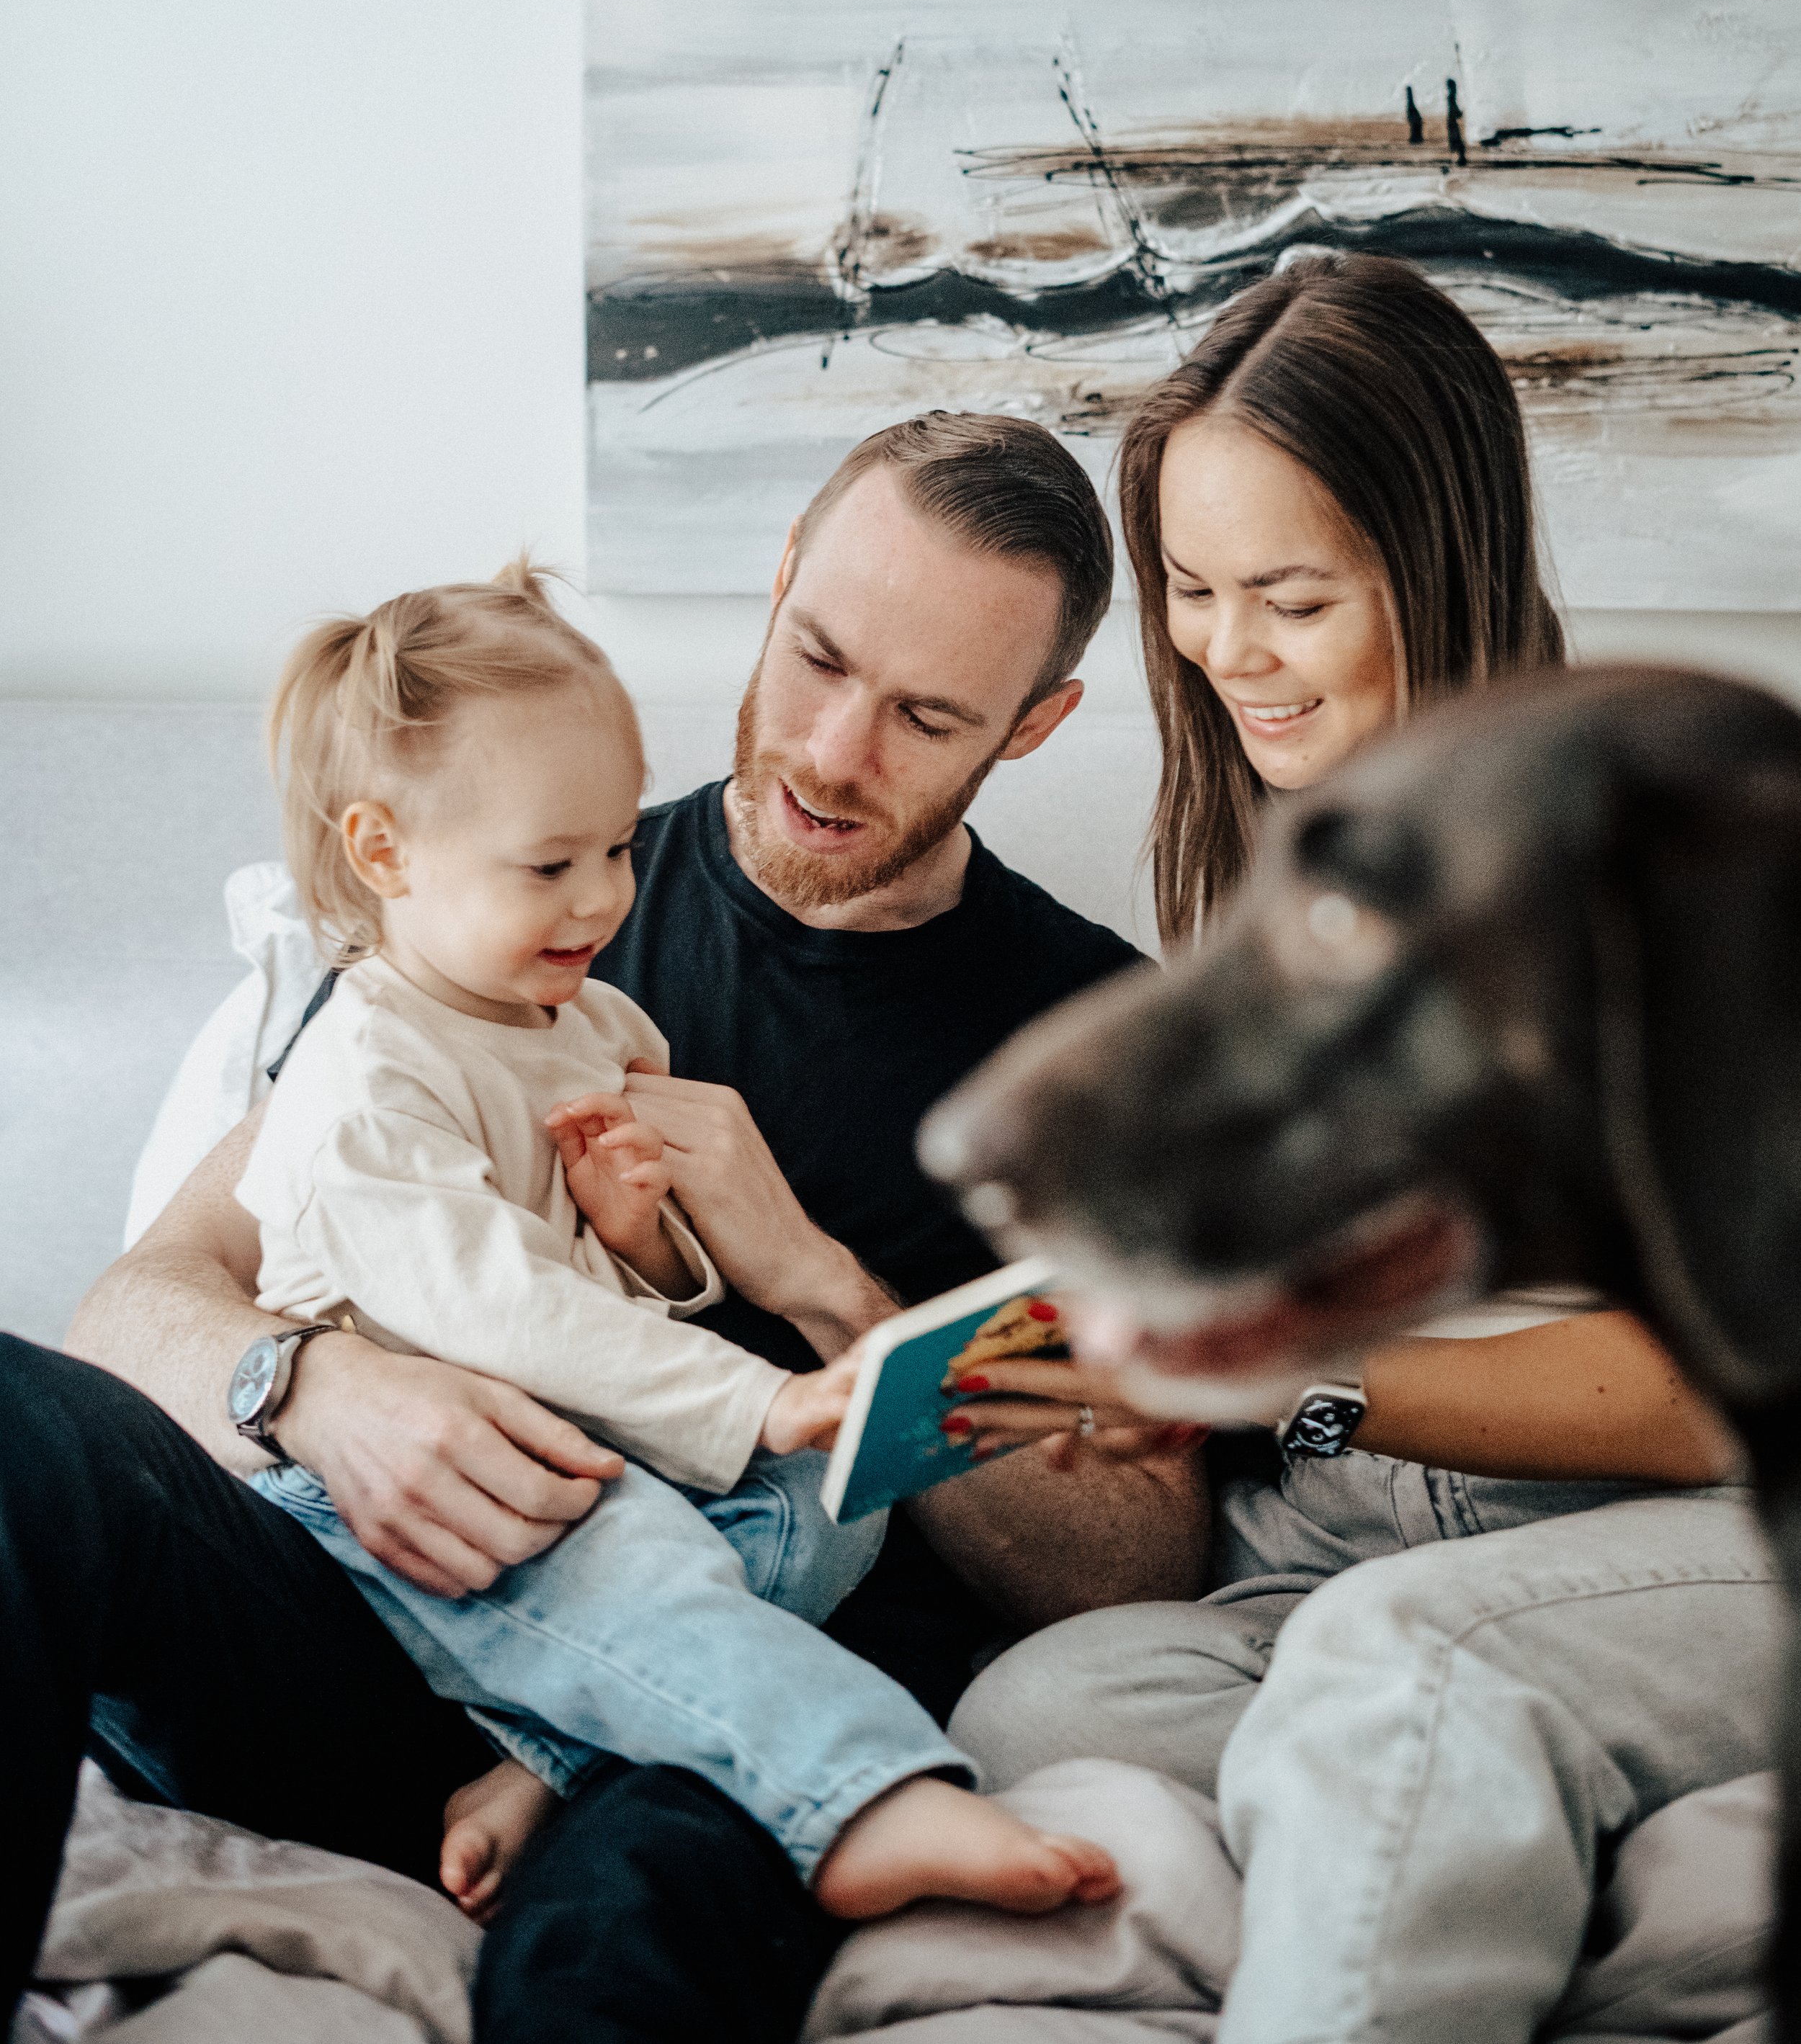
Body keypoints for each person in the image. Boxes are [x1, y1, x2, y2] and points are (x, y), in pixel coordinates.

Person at [17, 410, 1199, 2041]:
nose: (833, 751)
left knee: (633, 1935)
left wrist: (826, 1290)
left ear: (1038, 724)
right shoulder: (516, 881)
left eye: (926, 715)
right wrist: (310, 1387)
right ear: (778, 580)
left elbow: (1135, 1557)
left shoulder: (1104, 1050)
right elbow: (145, 1294)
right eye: (817, 657)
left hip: (714, 1700)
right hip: (348, 1618)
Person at [942, 256, 1779, 2044]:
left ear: (1432, 564)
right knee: (1036, 1711)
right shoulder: (1269, 858)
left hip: (1662, 1516)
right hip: (1340, 1531)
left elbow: (1700, 1397)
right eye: (1189, 590)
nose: (1224, 649)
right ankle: (1501, 1856)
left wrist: (1296, 1386)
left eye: (1290, 597)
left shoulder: (1641, 855)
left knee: (1391, 1668)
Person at [238, 557, 1117, 1922]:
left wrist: (648, 1244)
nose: (603, 900)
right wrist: (764, 1399)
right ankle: (865, 1793)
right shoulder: (363, 1075)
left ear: (1035, 722)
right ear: (385, 853)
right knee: (643, 1551)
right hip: (397, 1504)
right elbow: (504, 1312)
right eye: (554, 864)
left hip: (586, 1452)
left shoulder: (585, 1018)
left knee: (837, 1508)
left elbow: (596, 1301)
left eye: (613, 851)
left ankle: (551, 1751)